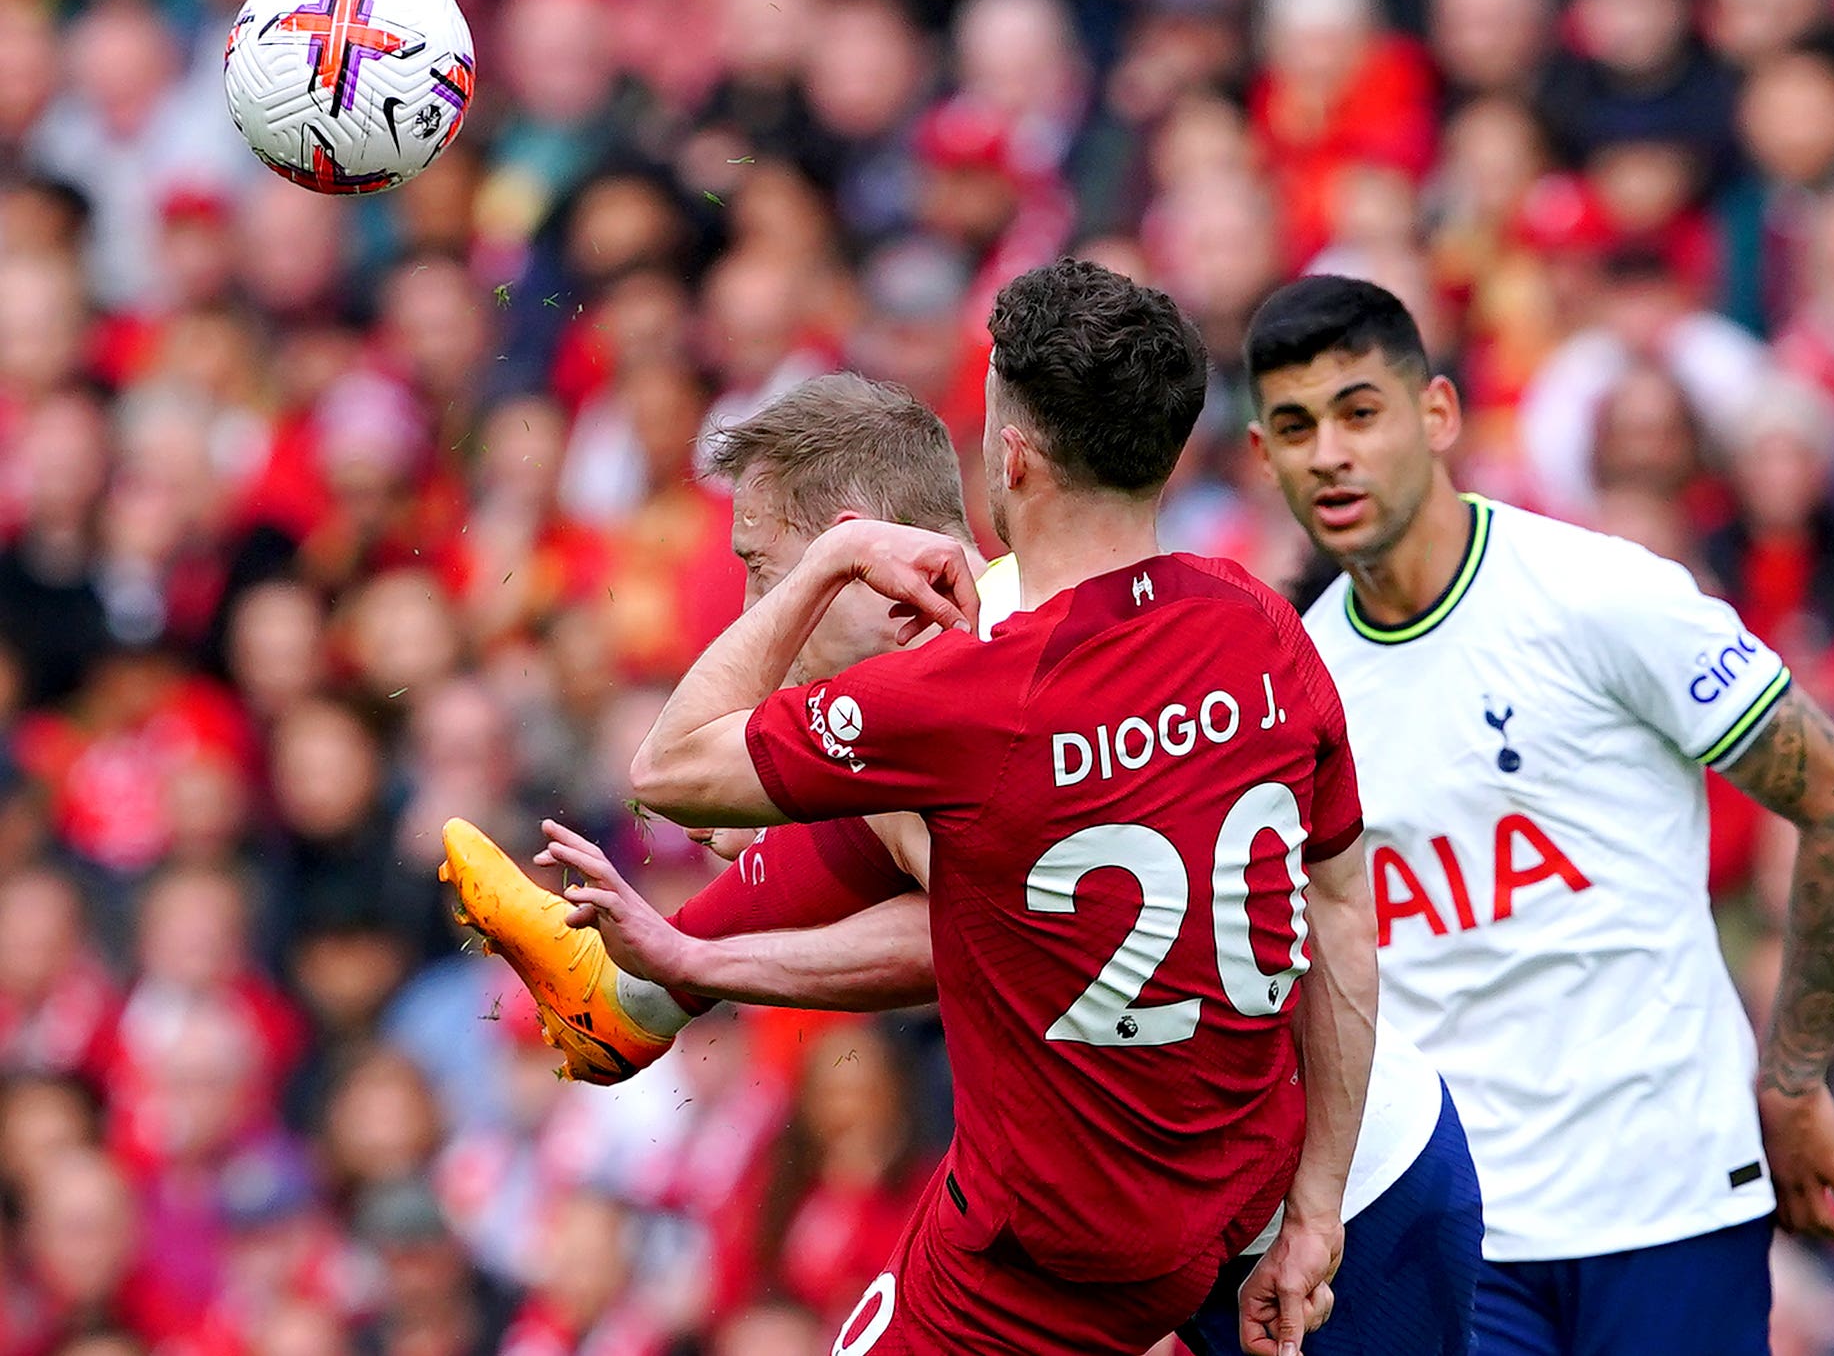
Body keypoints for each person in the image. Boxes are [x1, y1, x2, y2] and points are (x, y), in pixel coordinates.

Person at [444, 264, 1382, 1356]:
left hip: (1092, 1237)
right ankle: (631, 994)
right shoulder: (1256, 621)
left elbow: (671, 772)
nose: (759, 602)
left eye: (760, 569)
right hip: (1281, 1168)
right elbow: (1340, 907)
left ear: (1009, 453)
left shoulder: (972, 691)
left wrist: (829, 565)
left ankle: (636, 990)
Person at [1243, 274, 1834, 1356]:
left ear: (1437, 413)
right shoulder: (1298, 688)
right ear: (1262, 458)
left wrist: (1789, 1077)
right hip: (1455, 1235)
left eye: (1359, 411)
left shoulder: (1599, 596)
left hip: (1671, 1200)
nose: (1329, 453)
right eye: (1295, 427)